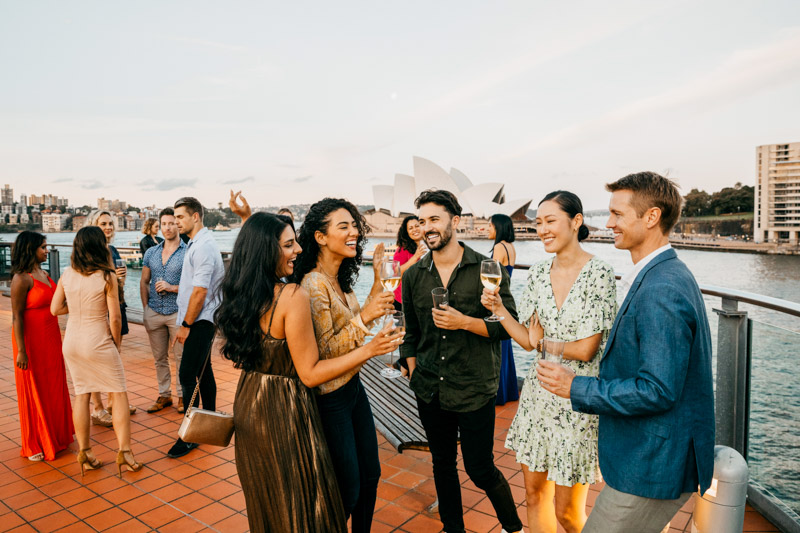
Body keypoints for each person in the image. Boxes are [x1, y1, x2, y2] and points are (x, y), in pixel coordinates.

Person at [537, 172, 714, 533]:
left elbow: (658, 389)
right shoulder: (662, 274)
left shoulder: (661, 288)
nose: (609, 223)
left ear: (650, 217)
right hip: (650, 455)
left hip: (652, 464)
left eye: (617, 214)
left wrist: (576, 387)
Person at [215, 212, 403, 533]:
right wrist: (370, 350)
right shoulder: (293, 295)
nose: (298, 250)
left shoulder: (242, 294)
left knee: (270, 499)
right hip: (285, 408)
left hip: (250, 403)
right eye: (289, 245)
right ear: (266, 252)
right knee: (305, 504)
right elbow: (311, 373)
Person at [481, 192, 617, 533]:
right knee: (533, 495)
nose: (542, 229)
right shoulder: (539, 272)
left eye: (550, 220)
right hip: (538, 400)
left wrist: (545, 342)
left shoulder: (599, 272)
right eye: (538, 222)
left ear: (576, 221)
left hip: (577, 401)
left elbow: (587, 349)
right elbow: (528, 341)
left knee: (568, 513)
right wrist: (499, 310)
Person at [400, 189, 523, 533]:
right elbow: (411, 333)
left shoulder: (486, 268)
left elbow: (507, 326)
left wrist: (464, 322)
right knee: (442, 464)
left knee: (480, 468)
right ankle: (453, 528)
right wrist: (413, 372)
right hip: (429, 388)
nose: (427, 227)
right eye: (422, 221)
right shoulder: (413, 276)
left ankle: (513, 528)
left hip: (473, 387)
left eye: (434, 219)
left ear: (454, 222)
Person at [291, 198, 396, 532]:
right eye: (344, 226)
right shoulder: (313, 285)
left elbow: (355, 326)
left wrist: (379, 279)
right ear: (321, 237)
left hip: (353, 389)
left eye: (354, 225)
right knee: (347, 490)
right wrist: (366, 322)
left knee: (371, 475)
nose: (354, 232)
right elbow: (325, 353)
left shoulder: (339, 279)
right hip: (330, 399)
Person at [51, 226, 143, 478]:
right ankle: (125, 452)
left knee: (82, 395)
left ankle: (86, 452)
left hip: (72, 341)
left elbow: (55, 308)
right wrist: (117, 344)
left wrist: (78, 305)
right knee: (118, 393)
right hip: (98, 340)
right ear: (98, 246)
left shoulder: (67, 274)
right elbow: (115, 318)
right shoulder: (106, 275)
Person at [167, 196, 225, 459]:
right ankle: (209, 422)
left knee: (187, 374)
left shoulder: (202, 247)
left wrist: (185, 325)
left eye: (180, 217)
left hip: (200, 320)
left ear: (196, 216)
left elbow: (200, 291)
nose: (177, 221)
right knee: (204, 371)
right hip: (202, 319)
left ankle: (190, 436)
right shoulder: (198, 243)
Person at [11, 231, 74, 462]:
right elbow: (16, 316)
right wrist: (21, 350)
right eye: (43, 247)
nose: (46, 251)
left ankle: (56, 435)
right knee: (33, 387)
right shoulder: (22, 278)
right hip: (30, 340)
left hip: (51, 337)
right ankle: (34, 441)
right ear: (31, 249)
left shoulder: (45, 274)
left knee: (54, 386)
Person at [86, 210, 135, 427]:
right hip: (99, 310)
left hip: (118, 306)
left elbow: (115, 283)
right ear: (93, 225)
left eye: (111, 224)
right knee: (96, 360)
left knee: (115, 355)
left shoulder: (112, 249)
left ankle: (113, 402)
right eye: (103, 223)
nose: (108, 227)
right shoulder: (88, 253)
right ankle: (97, 408)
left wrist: (120, 281)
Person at [140, 208, 186, 413]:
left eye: (171, 223)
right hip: (154, 312)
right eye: (164, 224)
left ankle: (183, 396)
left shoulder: (188, 252)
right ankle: (164, 395)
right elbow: (144, 281)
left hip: (177, 313)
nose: (167, 227)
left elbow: (193, 285)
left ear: (178, 224)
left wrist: (171, 287)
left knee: (181, 358)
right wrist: (145, 309)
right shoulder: (151, 252)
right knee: (159, 358)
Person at [488, 213, 519, 405]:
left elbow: (492, 276)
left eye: (490, 226)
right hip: (507, 297)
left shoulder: (499, 247)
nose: (488, 230)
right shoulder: (511, 247)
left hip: (497, 298)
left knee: (496, 347)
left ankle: (497, 392)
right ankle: (508, 391)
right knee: (505, 346)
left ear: (498, 228)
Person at [392, 215, 426, 312]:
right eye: (410, 228)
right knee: (402, 327)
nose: (414, 230)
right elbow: (396, 273)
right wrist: (415, 257)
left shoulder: (430, 245)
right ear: (407, 232)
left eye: (417, 226)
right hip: (403, 300)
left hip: (421, 299)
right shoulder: (402, 250)